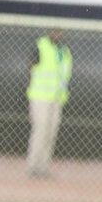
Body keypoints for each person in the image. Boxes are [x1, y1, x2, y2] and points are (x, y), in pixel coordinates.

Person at [26, 28, 72, 178]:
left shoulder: (64, 52)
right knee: (40, 130)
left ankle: (43, 167)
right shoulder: (41, 46)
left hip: (56, 97)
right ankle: (33, 166)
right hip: (40, 96)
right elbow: (30, 67)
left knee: (51, 132)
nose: (58, 35)